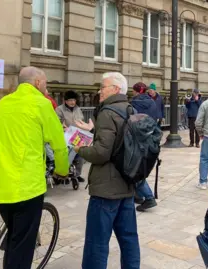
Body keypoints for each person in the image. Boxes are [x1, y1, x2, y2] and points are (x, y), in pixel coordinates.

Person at [0, 66, 69, 268]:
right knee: (23, 245)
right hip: (27, 186)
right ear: (38, 83)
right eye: (46, 83)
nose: (46, 87)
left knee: (15, 237)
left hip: (2, 185)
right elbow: (59, 145)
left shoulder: (3, 102)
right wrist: (62, 170)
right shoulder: (41, 104)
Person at [74, 72, 140, 269]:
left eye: (103, 87)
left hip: (105, 189)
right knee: (129, 238)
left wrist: (80, 148)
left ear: (116, 89)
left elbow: (102, 153)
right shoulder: (130, 109)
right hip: (127, 182)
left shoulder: (107, 112)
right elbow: (119, 141)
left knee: (97, 242)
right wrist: (94, 131)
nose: (99, 91)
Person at [131, 82, 158, 212]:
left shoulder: (133, 103)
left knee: (135, 170)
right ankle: (139, 195)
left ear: (136, 91)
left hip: (138, 140)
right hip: (150, 139)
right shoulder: (152, 102)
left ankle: (148, 197)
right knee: (140, 168)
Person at [55, 90, 86, 183]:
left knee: (80, 155)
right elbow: (56, 122)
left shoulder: (78, 109)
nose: (72, 102)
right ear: (65, 101)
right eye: (70, 100)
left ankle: (77, 174)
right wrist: (63, 127)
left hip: (77, 135)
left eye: (74, 100)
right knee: (68, 156)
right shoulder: (59, 109)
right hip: (66, 136)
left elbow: (82, 120)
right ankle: (64, 174)